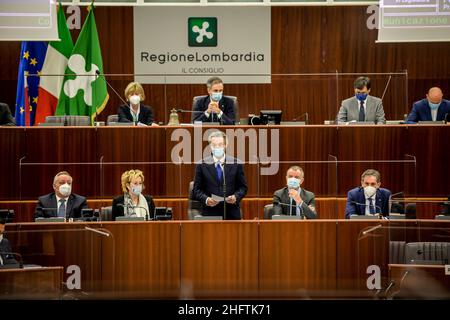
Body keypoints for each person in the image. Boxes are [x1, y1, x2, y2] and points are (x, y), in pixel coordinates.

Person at [193, 131, 247, 220]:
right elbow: (196, 190)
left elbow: (243, 188)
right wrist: (207, 199)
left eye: (220, 144)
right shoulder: (201, 164)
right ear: (210, 146)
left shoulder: (236, 163)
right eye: (214, 145)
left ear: (225, 145)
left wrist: (235, 197)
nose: (217, 147)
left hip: (232, 213)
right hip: (210, 213)